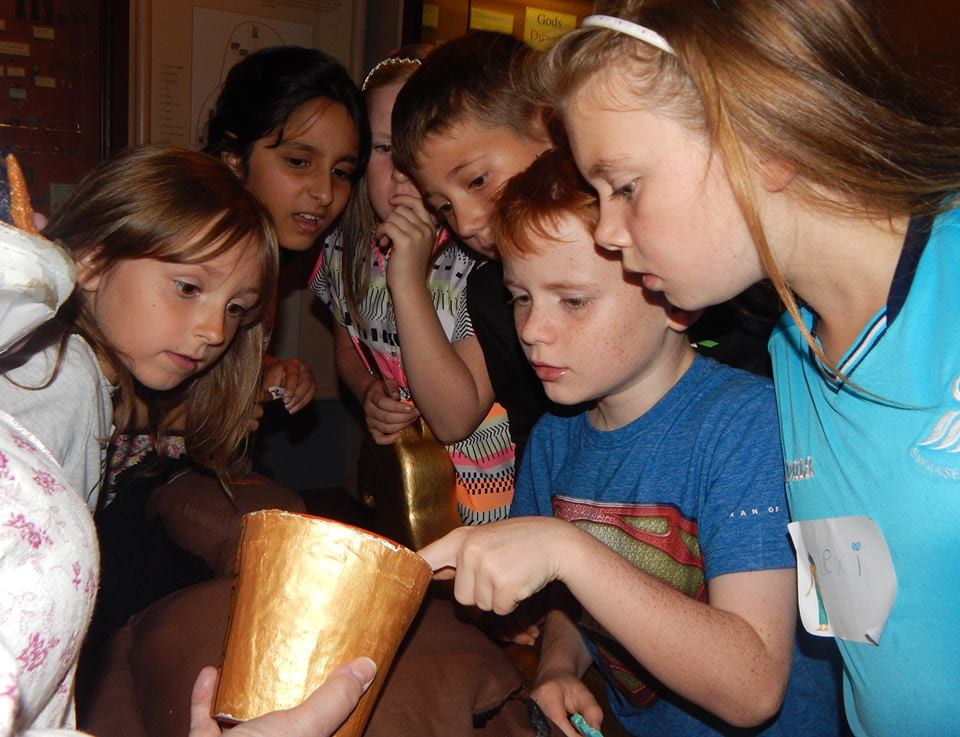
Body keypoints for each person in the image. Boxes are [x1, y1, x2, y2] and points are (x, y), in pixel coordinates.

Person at [526, 3, 960, 735]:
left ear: (765, 138)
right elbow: (867, 631)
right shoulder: (795, 358)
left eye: (625, 186)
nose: (605, 229)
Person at [420, 148, 841, 737]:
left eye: (573, 300)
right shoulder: (553, 440)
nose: (533, 332)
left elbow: (753, 689)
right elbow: (575, 597)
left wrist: (564, 547)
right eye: (522, 297)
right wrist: (560, 663)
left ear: (674, 298)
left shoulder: (746, 428)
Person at [0, 144, 375, 736]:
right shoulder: (60, 381)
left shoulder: (87, 379)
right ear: (92, 263)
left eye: (235, 308)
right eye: (187, 288)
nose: (213, 330)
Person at [311, 46, 515, 525]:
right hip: (403, 486)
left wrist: (407, 276)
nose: (402, 172)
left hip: (490, 494)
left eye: (415, 148)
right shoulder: (344, 250)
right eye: (384, 148)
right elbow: (347, 349)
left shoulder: (481, 260)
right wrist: (368, 392)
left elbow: (455, 417)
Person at [391, 31, 562, 464]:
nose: (465, 222)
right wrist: (406, 281)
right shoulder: (491, 292)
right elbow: (452, 419)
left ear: (549, 127)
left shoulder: (637, 256)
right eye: (443, 206)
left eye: (478, 181)